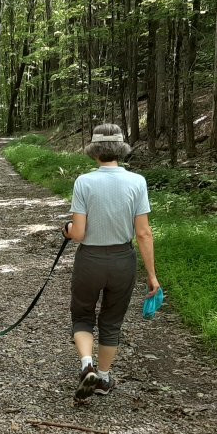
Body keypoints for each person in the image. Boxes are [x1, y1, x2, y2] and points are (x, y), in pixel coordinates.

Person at [61, 123, 160, 400]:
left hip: (89, 260)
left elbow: (78, 234)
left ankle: (86, 364)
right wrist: (151, 275)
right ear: (121, 149)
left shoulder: (84, 182)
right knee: (112, 321)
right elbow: (143, 232)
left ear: (94, 152)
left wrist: (67, 230)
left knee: (82, 315)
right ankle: (103, 377)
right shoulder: (137, 182)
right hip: (122, 260)